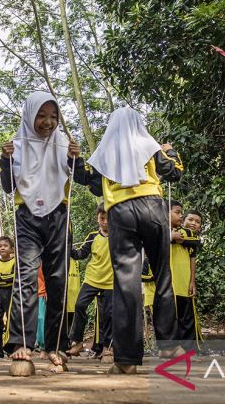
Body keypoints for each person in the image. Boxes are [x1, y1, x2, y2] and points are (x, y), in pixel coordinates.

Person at [81, 107, 183, 374]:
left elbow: (91, 183)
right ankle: (170, 345)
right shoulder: (149, 145)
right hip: (153, 208)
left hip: (120, 212)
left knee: (126, 283)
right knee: (162, 274)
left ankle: (126, 360)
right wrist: (170, 151)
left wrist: (76, 160)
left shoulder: (103, 152)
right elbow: (174, 172)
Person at [0, 91, 86, 371]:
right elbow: (9, 187)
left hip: (59, 215)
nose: (48, 122)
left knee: (57, 280)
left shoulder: (63, 143)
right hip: (26, 217)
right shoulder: (16, 144)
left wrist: (77, 158)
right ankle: (20, 343)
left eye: (53, 116)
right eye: (41, 115)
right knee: (25, 277)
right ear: (29, 115)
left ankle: (55, 346)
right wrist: (5, 160)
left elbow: (81, 178)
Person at [67, 203, 113, 359]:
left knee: (108, 314)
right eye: (102, 218)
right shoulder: (92, 236)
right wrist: (68, 249)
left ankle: (108, 347)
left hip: (111, 281)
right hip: (92, 278)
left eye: (108, 219)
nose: (105, 222)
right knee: (79, 305)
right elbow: (80, 254)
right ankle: (77, 342)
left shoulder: (118, 235)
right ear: (97, 218)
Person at [167, 202, 201, 355]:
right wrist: (169, 236)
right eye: (177, 213)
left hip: (184, 281)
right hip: (167, 283)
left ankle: (188, 350)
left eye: (181, 213)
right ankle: (170, 348)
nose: (180, 216)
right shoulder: (160, 231)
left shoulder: (187, 233)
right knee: (169, 317)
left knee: (186, 317)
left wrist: (192, 281)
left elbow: (193, 254)